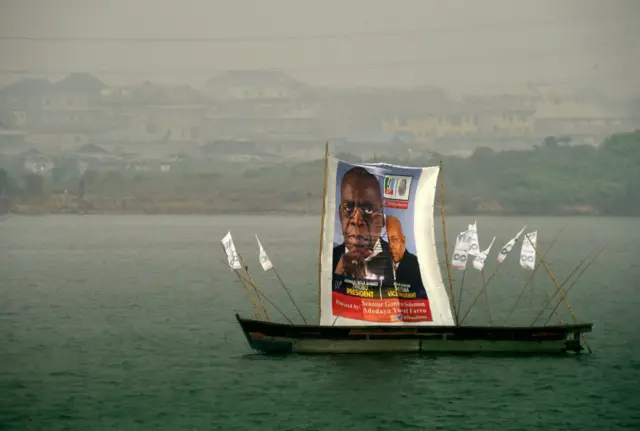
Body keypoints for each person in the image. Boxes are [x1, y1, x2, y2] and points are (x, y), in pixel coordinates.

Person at [332, 166, 393, 282]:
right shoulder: (329, 260)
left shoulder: (404, 263)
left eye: (368, 209)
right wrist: (338, 275)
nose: (356, 220)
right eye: (349, 208)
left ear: (381, 219)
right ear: (340, 215)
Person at [385, 215, 425, 298]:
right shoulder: (378, 262)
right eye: (387, 240)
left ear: (403, 240)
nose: (390, 246)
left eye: (394, 240)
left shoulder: (416, 265)